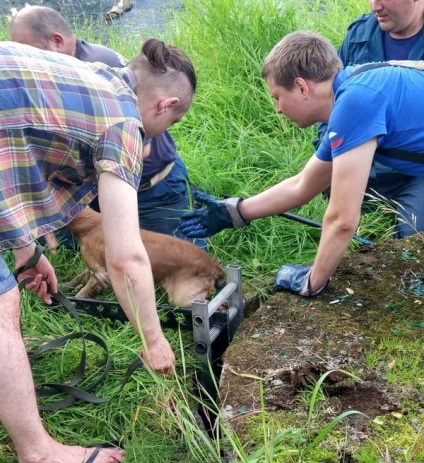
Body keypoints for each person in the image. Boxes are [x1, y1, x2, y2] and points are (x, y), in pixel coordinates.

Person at [0, 37, 196, 463]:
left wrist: (25, 249)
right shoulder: (124, 124)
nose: (162, 134)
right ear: (165, 105)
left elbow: (16, 139)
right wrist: (153, 340)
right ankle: (40, 459)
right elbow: (125, 258)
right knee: (3, 306)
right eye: (174, 121)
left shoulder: (100, 78)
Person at [178, 31, 424, 297]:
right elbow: (304, 183)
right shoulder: (354, 88)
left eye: (277, 97)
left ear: (301, 87)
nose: (278, 110)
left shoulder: (355, 103)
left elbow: (343, 219)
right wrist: (235, 212)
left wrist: (312, 282)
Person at [9, 5, 201, 244]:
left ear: (57, 41)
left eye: (27, 50)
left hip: (148, 186)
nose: (24, 58)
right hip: (96, 182)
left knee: (173, 257)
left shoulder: (99, 67)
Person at [316, 0, 424, 238]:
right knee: (332, 223)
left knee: (412, 237)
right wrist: (331, 158)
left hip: (416, 170)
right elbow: (329, 99)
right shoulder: (360, 33)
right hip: (363, 163)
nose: (375, 6)